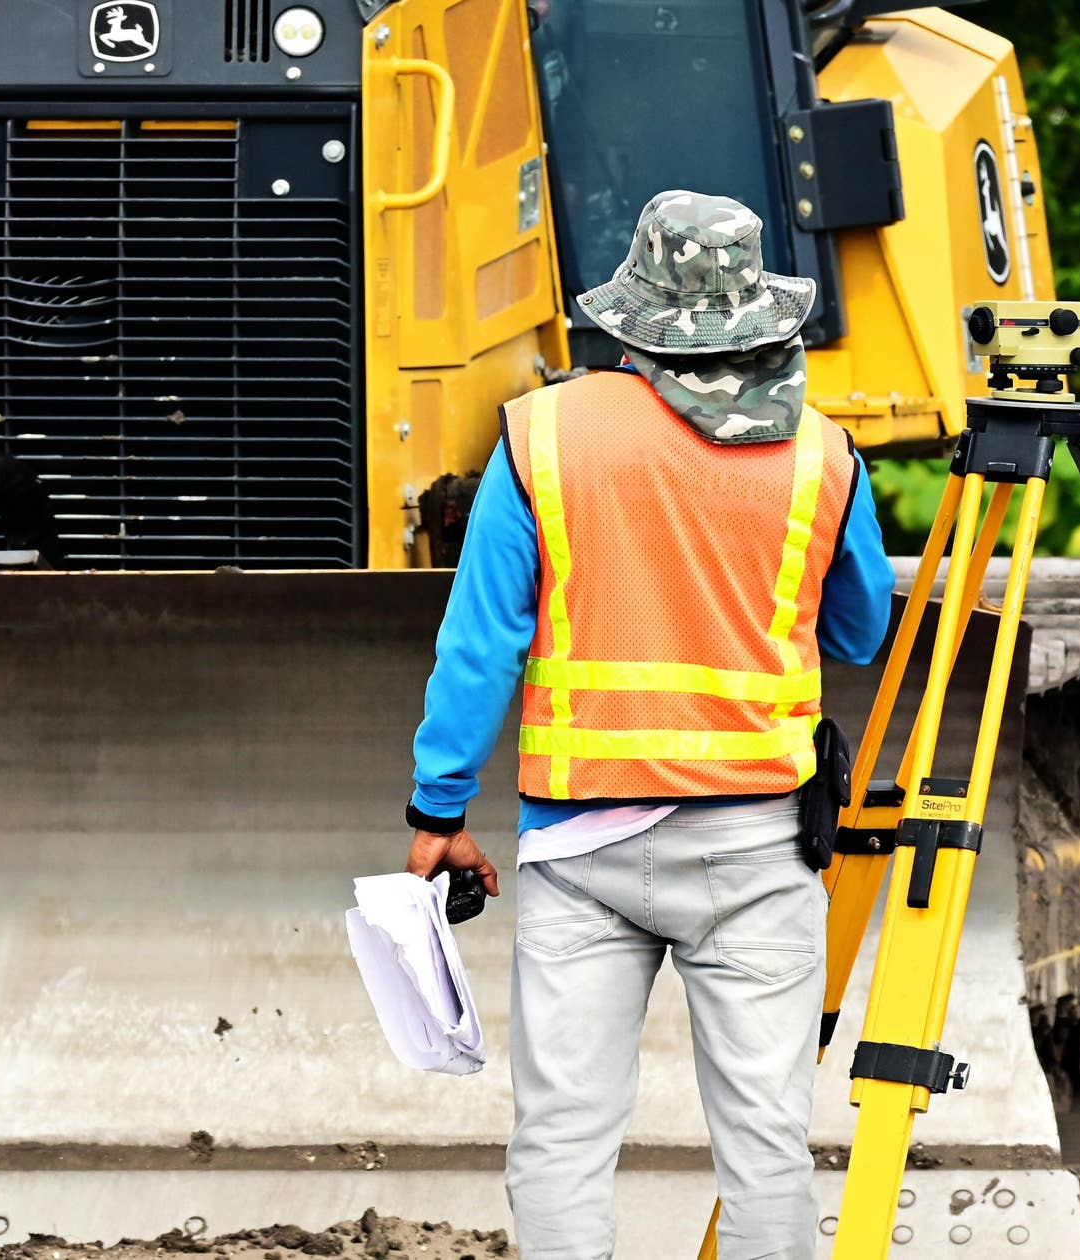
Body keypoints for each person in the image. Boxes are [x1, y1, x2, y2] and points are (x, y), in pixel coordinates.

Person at [401, 190, 898, 1260]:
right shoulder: (822, 455)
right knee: (766, 1145)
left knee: (563, 1139)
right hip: (758, 853)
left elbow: (479, 644)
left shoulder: (539, 438)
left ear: (630, 319)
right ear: (758, 315)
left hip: (580, 850)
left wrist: (438, 806)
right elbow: (860, 631)